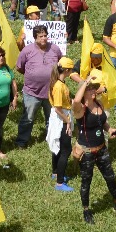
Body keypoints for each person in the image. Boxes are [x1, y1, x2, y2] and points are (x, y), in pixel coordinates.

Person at [71, 74, 116, 224]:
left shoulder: (99, 104)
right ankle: (86, 210)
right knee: (86, 181)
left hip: (102, 149)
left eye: (94, 89)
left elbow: (103, 122)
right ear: (84, 92)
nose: (93, 91)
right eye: (90, 90)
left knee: (110, 177)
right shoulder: (80, 109)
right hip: (87, 152)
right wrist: (86, 81)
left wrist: (109, 129)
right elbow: (76, 100)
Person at [15, 25, 62, 148]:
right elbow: (19, 67)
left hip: (51, 92)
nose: (44, 38)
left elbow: (61, 66)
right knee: (28, 118)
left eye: (45, 35)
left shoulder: (55, 49)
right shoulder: (27, 50)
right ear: (35, 37)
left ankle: (51, 139)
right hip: (32, 92)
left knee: (51, 117)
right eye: (40, 36)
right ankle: (22, 141)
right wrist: (32, 75)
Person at [48, 57, 79, 192]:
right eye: (71, 70)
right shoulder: (59, 86)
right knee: (65, 150)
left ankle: (56, 172)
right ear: (66, 70)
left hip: (61, 117)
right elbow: (58, 108)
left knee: (58, 147)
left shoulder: (58, 82)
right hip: (61, 119)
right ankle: (60, 183)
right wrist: (67, 121)